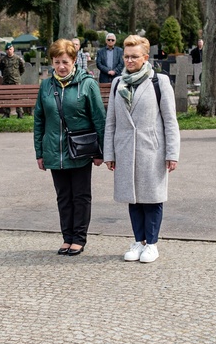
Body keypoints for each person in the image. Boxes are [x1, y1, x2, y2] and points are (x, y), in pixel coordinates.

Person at [104, 35, 180, 264]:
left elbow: (170, 120)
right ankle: (138, 240)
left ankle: (152, 244)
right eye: (126, 56)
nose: (129, 61)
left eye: (134, 57)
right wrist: (109, 153)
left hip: (151, 148)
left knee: (152, 198)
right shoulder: (118, 83)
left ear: (145, 57)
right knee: (133, 198)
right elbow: (111, 121)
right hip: (125, 148)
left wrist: (172, 153)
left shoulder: (159, 82)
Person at [34, 39, 106, 256]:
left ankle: (79, 239)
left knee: (81, 196)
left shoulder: (87, 83)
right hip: (54, 150)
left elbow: (99, 119)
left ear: (74, 60)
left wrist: (100, 151)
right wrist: (39, 152)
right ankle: (67, 237)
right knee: (63, 196)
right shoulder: (46, 86)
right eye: (56, 62)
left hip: (81, 150)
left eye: (65, 62)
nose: (61, 67)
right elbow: (39, 120)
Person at [0, 42, 26, 118]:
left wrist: (17, 76)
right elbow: (2, 68)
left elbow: (22, 69)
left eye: (10, 49)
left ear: (13, 49)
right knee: (6, 97)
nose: (9, 51)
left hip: (15, 81)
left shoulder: (18, 59)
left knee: (18, 97)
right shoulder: (3, 60)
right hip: (6, 81)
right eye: (7, 50)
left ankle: (20, 113)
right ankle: (6, 113)